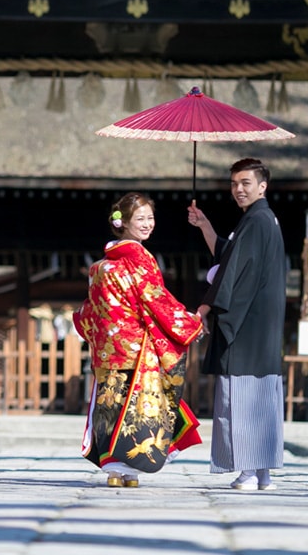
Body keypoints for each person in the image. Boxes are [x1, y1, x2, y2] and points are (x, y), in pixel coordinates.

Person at [74, 192, 205, 488]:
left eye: (150, 218)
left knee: (112, 405)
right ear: (124, 223)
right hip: (136, 349)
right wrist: (189, 321)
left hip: (108, 351)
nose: (148, 224)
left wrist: (84, 322)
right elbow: (155, 300)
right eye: (141, 219)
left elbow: (91, 310)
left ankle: (116, 471)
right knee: (138, 408)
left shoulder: (100, 267)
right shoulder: (141, 258)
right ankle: (131, 470)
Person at [187, 158, 287, 491]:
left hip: (246, 326)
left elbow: (235, 275)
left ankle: (246, 471)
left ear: (263, 185)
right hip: (262, 327)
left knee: (240, 397)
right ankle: (263, 473)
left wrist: (207, 305)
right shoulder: (261, 219)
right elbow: (231, 257)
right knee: (263, 399)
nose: (238, 189)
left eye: (246, 183)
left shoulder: (257, 221)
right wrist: (206, 227)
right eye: (234, 184)